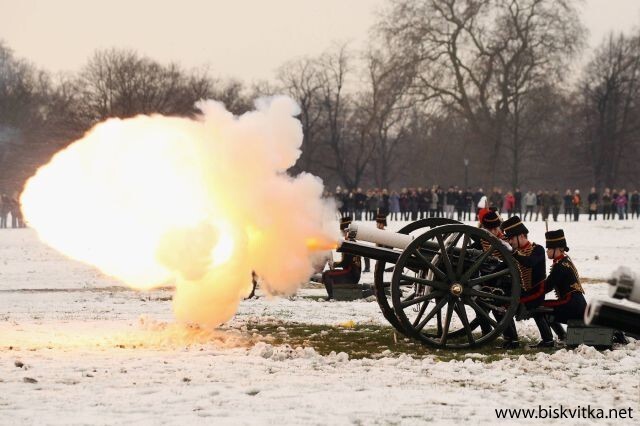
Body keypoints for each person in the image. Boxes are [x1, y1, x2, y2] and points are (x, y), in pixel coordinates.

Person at [500, 216, 554, 348]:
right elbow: (502, 267)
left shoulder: (538, 249)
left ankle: (513, 340)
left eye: (512, 238)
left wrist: (513, 253)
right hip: (524, 292)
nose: (511, 241)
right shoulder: (516, 253)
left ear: (521, 236)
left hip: (536, 292)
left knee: (504, 307)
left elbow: (529, 263)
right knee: (501, 303)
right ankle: (512, 338)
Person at [541, 229, 586, 341]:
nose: (547, 251)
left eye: (549, 248)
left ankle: (553, 338)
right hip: (576, 303)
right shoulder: (565, 261)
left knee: (540, 308)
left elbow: (547, 286)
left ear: (557, 249)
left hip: (572, 304)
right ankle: (562, 335)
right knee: (545, 307)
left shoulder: (560, 266)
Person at [322, 216, 362, 300]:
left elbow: (345, 262)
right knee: (329, 274)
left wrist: (334, 264)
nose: (341, 232)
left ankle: (332, 296)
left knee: (326, 275)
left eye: (342, 230)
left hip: (350, 274)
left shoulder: (349, 243)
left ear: (346, 231)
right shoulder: (351, 242)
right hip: (353, 273)